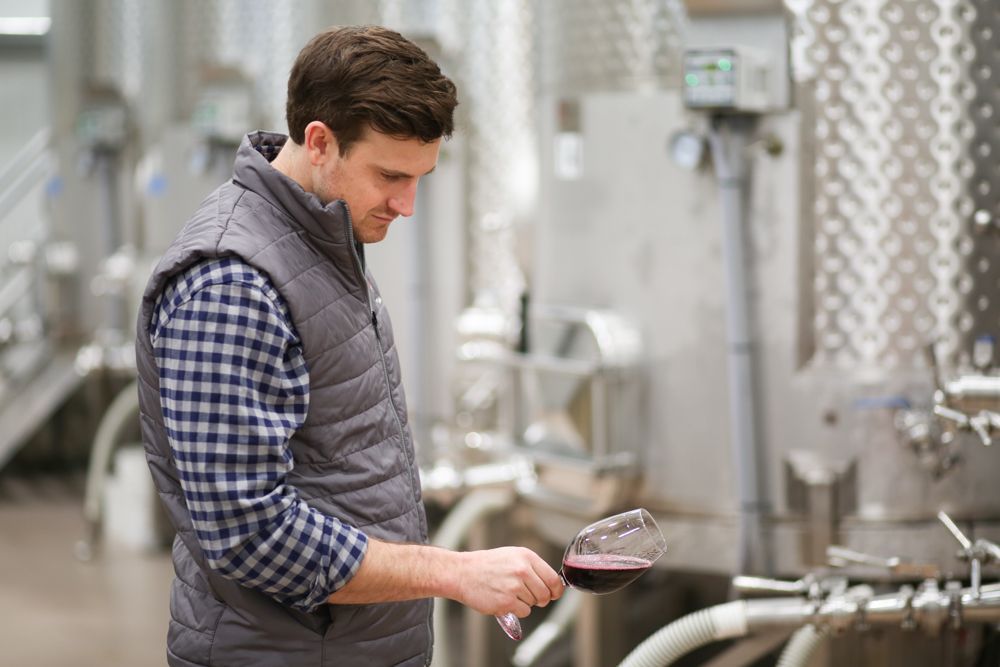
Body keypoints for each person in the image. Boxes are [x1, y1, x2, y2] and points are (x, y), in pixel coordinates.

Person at [136, 25, 563, 667]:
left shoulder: (321, 237)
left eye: (421, 177)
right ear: (319, 142)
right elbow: (249, 532)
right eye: (391, 175)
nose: (408, 204)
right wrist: (451, 573)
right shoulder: (231, 283)